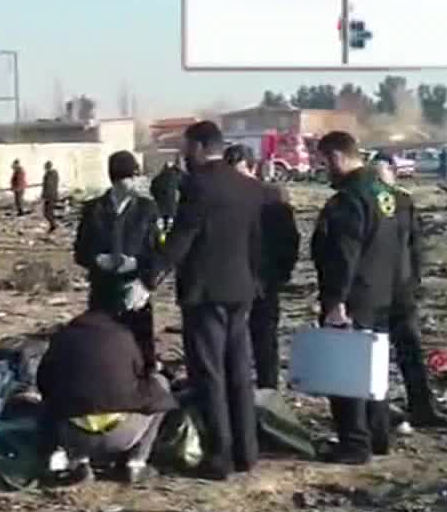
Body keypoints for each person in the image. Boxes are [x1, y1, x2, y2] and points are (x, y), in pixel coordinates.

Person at [158, 121, 266, 480]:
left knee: (210, 374)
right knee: (239, 372)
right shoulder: (250, 188)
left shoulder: (198, 186)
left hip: (205, 294)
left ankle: (219, 455)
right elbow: (255, 242)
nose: (185, 155)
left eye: (188, 147)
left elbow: (182, 238)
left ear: (202, 147)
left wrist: (148, 277)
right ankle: (247, 452)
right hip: (241, 291)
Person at [311, 132, 404, 464]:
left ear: (336, 157)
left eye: (323, 162)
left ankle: (354, 443)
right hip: (382, 293)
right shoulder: (385, 193)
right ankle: (378, 435)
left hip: (353, 298)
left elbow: (343, 255)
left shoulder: (349, 199)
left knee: (346, 371)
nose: (322, 169)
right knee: (374, 371)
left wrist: (335, 301)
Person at [35, 308, 178, 485]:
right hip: (122, 434)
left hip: (74, 436)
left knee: (54, 402)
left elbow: (43, 381)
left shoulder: (63, 338)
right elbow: (144, 374)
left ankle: (79, 462)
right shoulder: (124, 337)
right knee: (160, 384)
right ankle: (136, 463)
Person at [372, 154, 447, 428]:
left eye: (383, 171)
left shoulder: (405, 202)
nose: (380, 177)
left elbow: (416, 245)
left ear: (393, 173)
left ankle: (422, 407)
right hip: (373, 293)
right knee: (374, 355)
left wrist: (414, 280)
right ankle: (377, 411)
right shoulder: (363, 203)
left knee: (411, 351)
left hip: (401, 290)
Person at [73, 150, 163, 372]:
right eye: (132, 176)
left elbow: (159, 253)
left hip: (135, 289)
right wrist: (97, 259)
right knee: (105, 348)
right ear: (118, 179)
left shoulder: (147, 209)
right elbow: (80, 251)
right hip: (103, 291)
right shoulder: (93, 210)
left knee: (140, 351)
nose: (137, 182)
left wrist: (139, 269)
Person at [225, 145, 299, 390]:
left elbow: (289, 238)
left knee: (264, 339)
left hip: (264, 278)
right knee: (237, 340)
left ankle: (267, 390)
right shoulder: (225, 197)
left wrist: (281, 272)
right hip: (235, 279)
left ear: (253, 168)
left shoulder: (272, 195)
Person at [149, 156, 183, 235]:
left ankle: (162, 240)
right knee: (170, 230)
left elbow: (152, 190)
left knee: (162, 231)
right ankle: (167, 241)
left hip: (159, 209)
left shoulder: (157, 178)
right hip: (172, 210)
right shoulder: (177, 177)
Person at [41, 161, 60, 232]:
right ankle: (53, 225)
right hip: (50, 196)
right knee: (47, 212)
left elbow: (49, 186)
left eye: (45, 167)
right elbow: (46, 186)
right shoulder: (50, 174)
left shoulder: (50, 174)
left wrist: (45, 196)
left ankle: (53, 225)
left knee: (48, 212)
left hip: (51, 196)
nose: (44, 168)